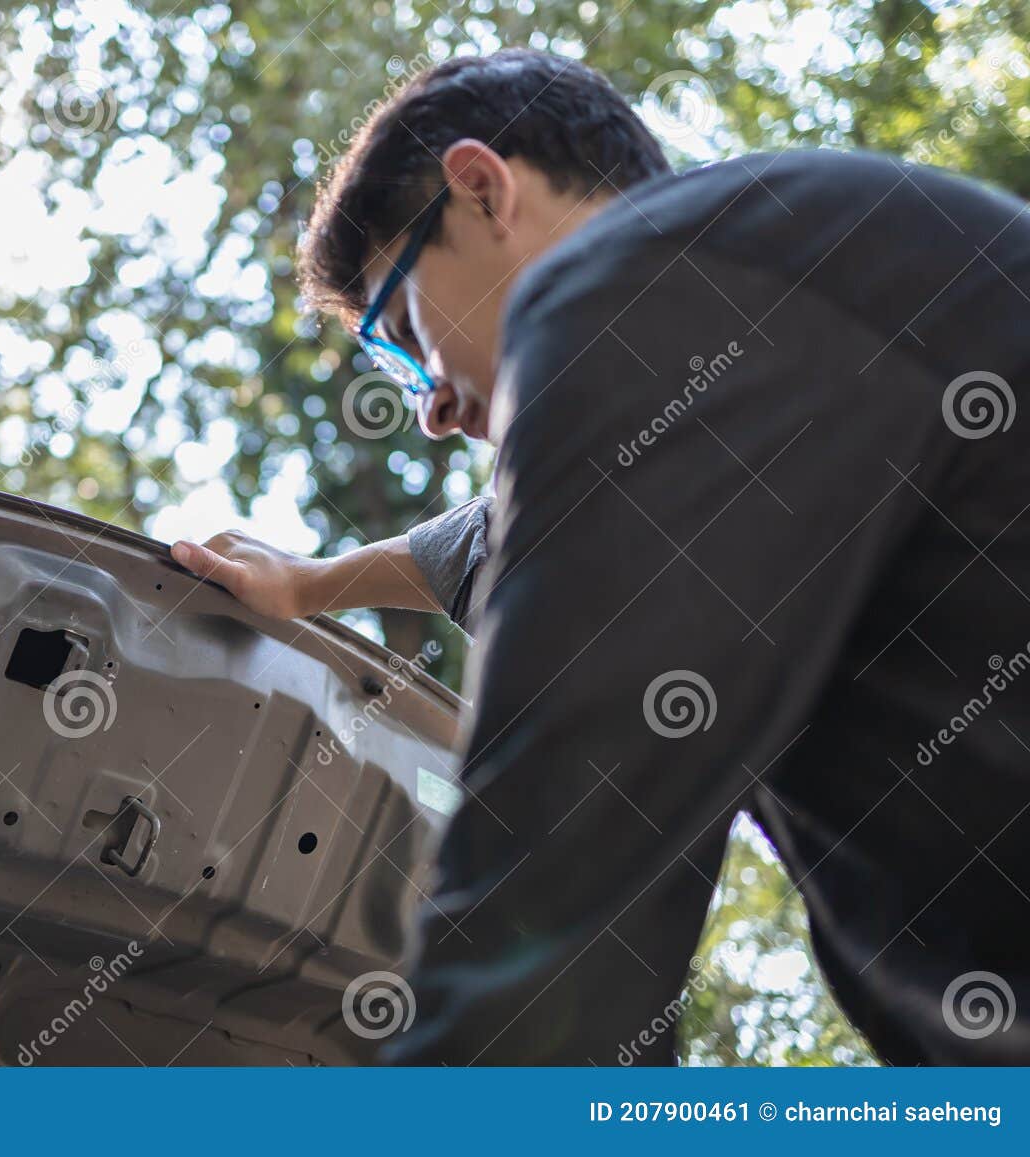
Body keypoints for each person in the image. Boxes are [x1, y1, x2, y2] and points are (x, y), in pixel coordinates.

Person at [171, 48, 1030, 1065]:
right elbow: (501, 536)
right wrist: (308, 584)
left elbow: (559, 891)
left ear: (484, 188)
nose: (433, 409)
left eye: (404, 335)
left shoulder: (635, 281)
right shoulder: (766, 292)